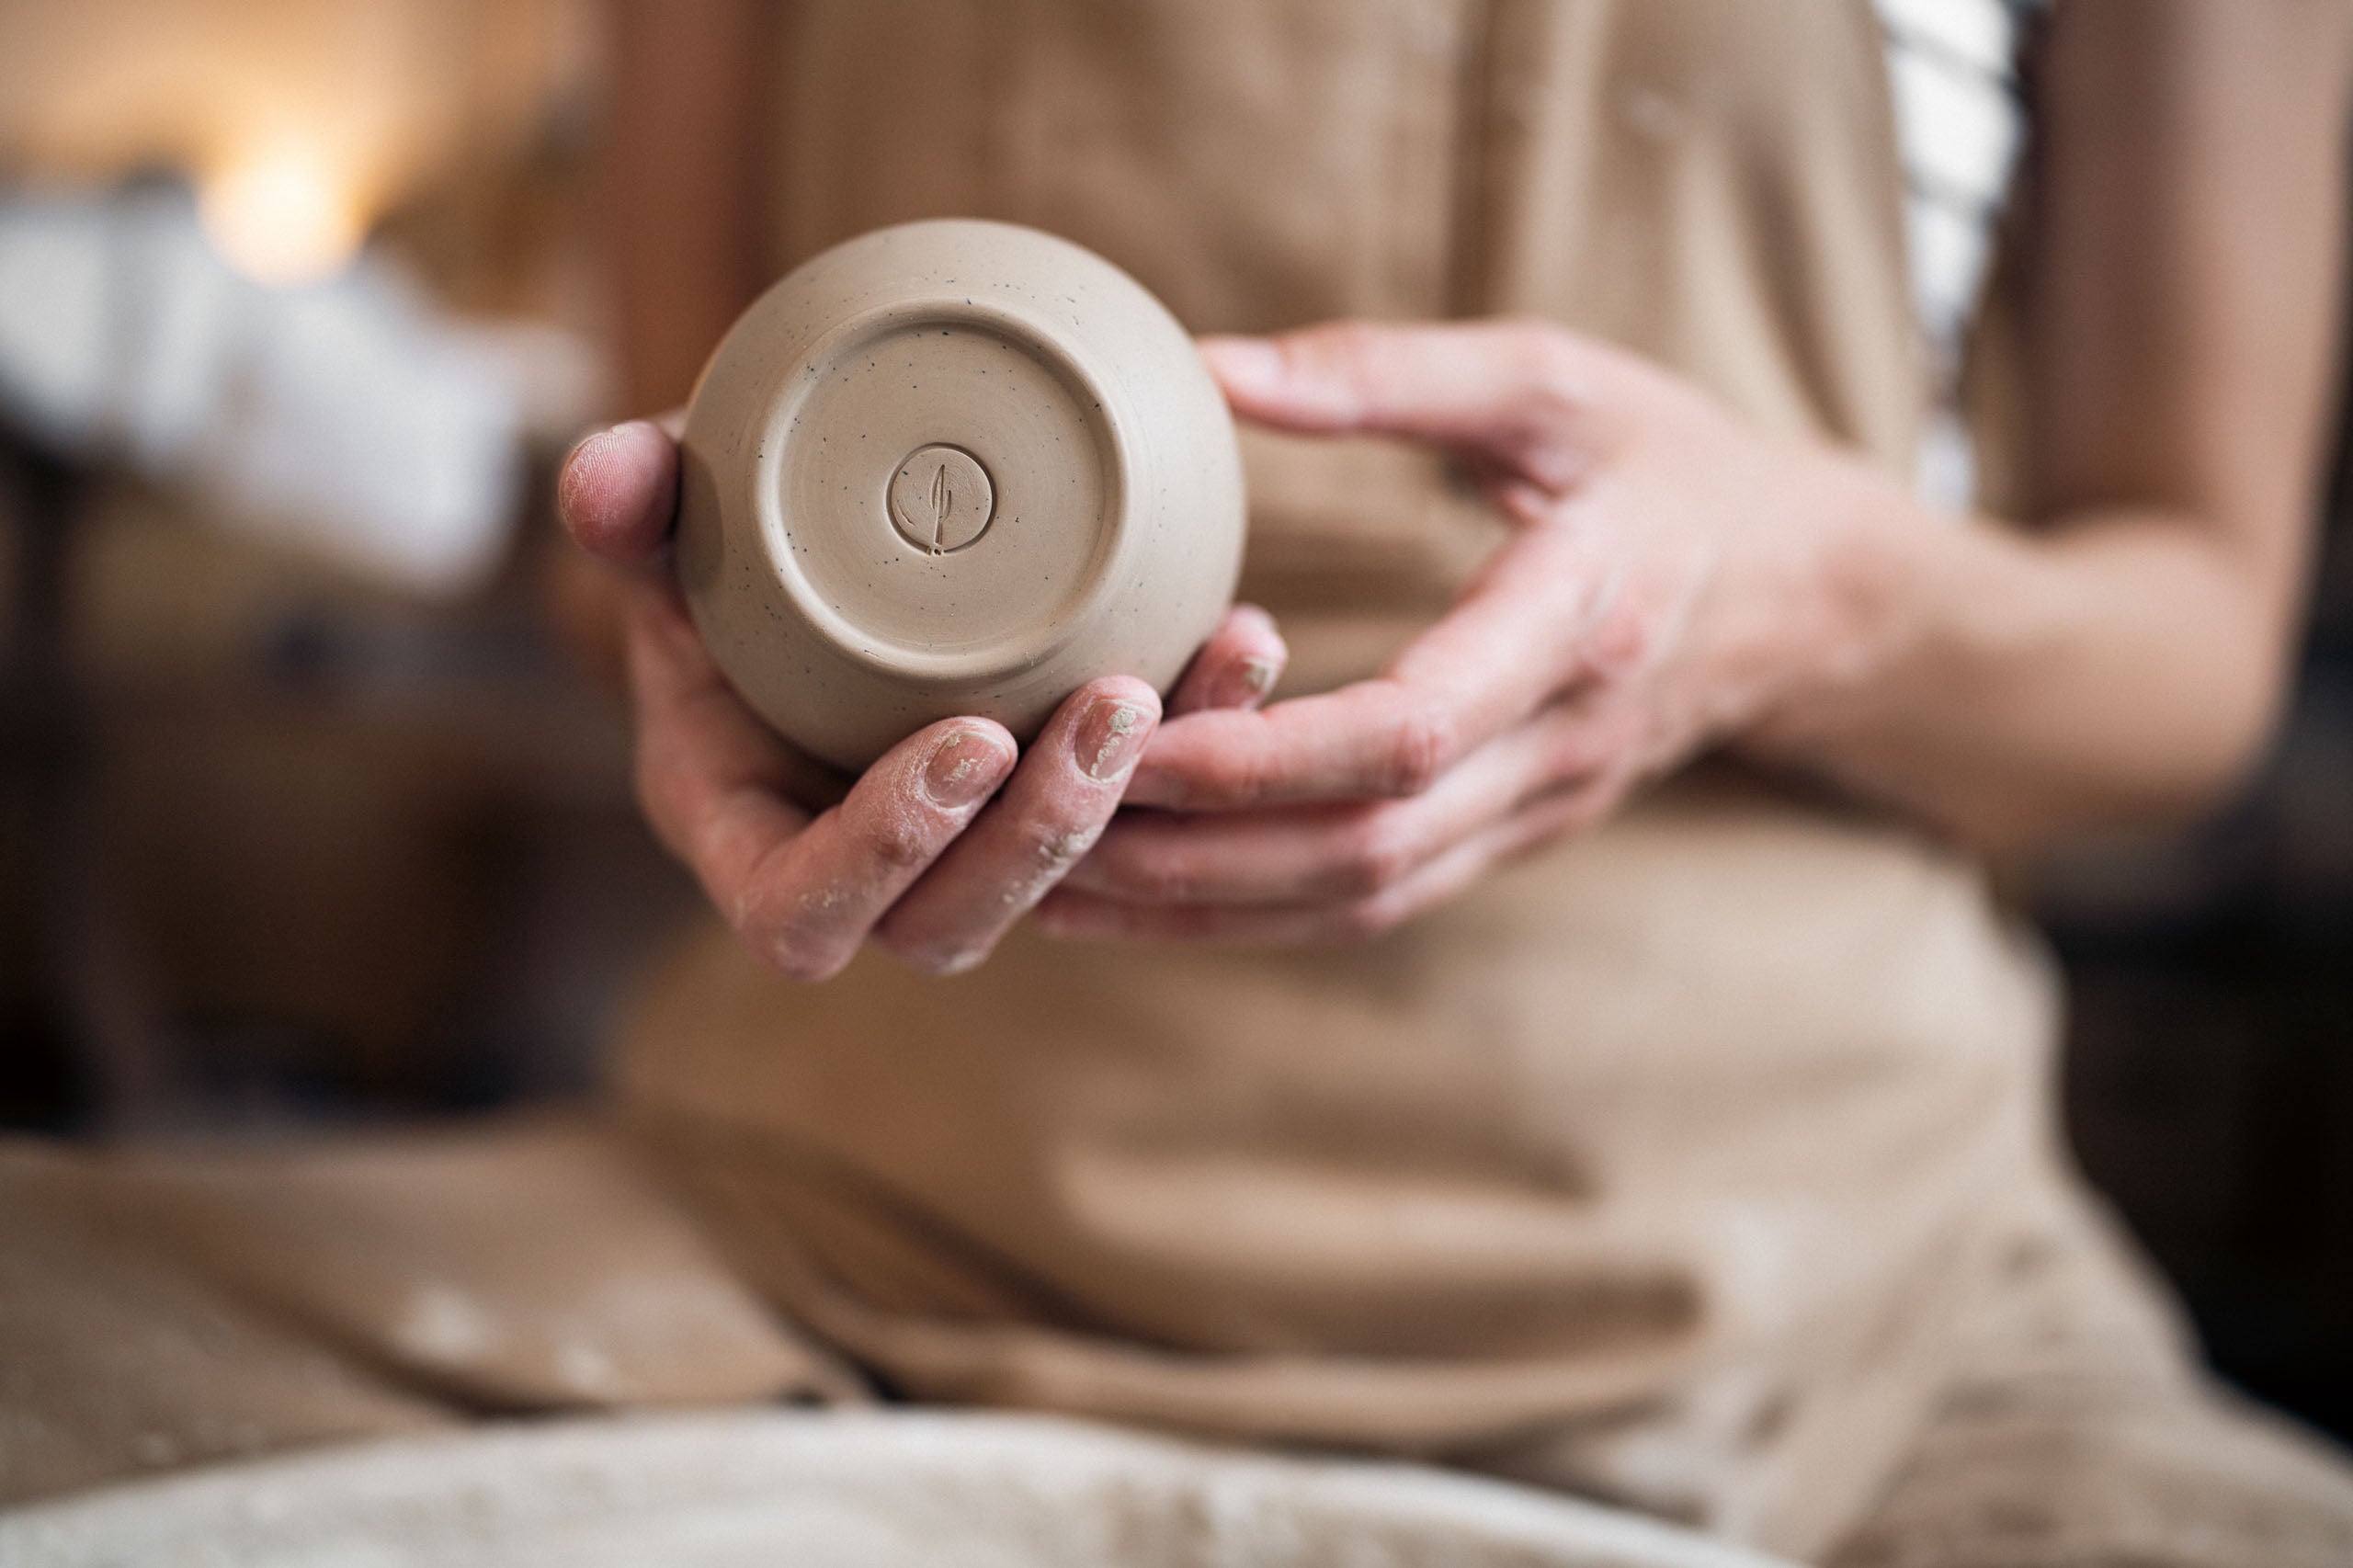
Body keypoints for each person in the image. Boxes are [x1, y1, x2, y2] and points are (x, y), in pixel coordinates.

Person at [6, 2, 2353, 1563]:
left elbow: (2184, 648)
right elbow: (686, 473)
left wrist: (1778, 594)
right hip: (859, 1220)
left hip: (1813, 1283)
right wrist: (677, 629)